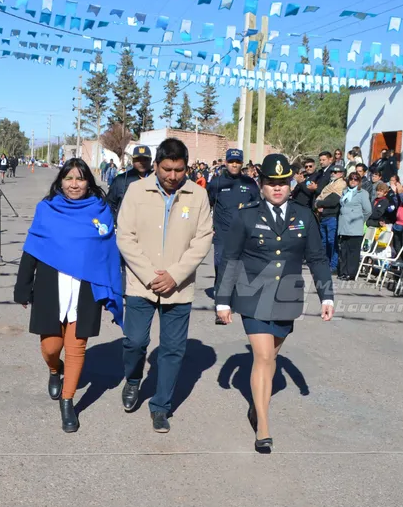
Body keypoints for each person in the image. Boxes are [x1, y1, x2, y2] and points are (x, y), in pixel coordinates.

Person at [214, 154, 334, 453]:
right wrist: (222, 301)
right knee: (264, 357)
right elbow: (230, 258)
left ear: (290, 184)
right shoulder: (247, 215)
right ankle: (264, 426)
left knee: (273, 358)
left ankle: (257, 406)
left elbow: (317, 258)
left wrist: (326, 295)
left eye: (282, 183)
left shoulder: (304, 216)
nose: (277, 188)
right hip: (252, 295)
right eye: (271, 183)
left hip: (287, 297)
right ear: (261, 184)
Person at [14, 158, 123, 432]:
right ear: (60, 181)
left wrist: (111, 286)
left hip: (85, 290)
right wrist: (23, 288)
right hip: (52, 287)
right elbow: (32, 248)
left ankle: (68, 401)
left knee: (77, 348)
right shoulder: (47, 209)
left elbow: (108, 252)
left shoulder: (101, 211)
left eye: (80, 178)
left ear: (89, 182)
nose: (74, 184)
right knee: (51, 347)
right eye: (69, 178)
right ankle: (54, 370)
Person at [115, 138, 213, 433]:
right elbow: (125, 236)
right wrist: (149, 275)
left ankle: (161, 406)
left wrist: (175, 275)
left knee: (172, 349)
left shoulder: (197, 195)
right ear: (156, 165)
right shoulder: (136, 190)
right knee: (134, 341)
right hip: (141, 284)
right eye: (167, 169)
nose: (172, 176)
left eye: (179, 170)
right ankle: (133, 380)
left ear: (187, 168)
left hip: (178, 287)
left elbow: (203, 239)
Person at [207, 148, 259, 281]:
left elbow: (258, 206)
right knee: (220, 265)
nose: (234, 165)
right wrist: (208, 227)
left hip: (244, 234)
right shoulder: (215, 183)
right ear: (226, 162)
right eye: (231, 162)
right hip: (222, 233)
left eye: (237, 162)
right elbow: (207, 206)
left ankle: (237, 297)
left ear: (242, 163)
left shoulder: (250, 183)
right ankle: (220, 294)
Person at [337, 170, 372, 280]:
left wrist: (360, 220)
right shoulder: (344, 191)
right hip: (343, 225)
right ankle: (342, 271)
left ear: (359, 181)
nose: (353, 181)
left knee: (353, 251)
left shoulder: (363, 193)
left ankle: (350, 273)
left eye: (356, 179)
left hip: (355, 226)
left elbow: (368, 210)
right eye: (351, 179)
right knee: (343, 250)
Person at [106, 145, 152, 224]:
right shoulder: (121, 180)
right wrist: (116, 221)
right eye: (138, 159)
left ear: (150, 160)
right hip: (126, 229)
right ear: (133, 160)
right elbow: (109, 204)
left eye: (145, 159)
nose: (142, 162)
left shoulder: (158, 179)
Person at [314, 164, 345, 272]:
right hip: (323, 216)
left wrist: (320, 204)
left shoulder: (341, 184)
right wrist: (318, 204)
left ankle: (333, 265)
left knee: (332, 241)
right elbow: (321, 196)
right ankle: (325, 263)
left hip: (332, 216)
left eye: (335, 172)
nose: (333, 173)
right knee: (324, 242)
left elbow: (333, 200)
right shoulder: (330, 183)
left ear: (341, 174)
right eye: (332, 172)